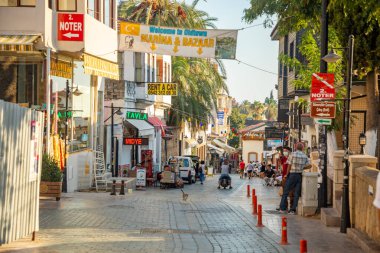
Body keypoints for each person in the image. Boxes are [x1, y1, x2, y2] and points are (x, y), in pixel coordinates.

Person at [279, 143, 310, 214]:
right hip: (299, 175)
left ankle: (282, 208)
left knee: (286, 191)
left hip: (292, 175)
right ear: (302, 148)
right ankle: (293, 210)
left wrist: (286, 174)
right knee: (296, 193)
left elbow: (289, 165)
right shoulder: (305, 156)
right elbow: (310, 165)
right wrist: (302, 168)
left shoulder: (292, 154)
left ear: (295, 147)